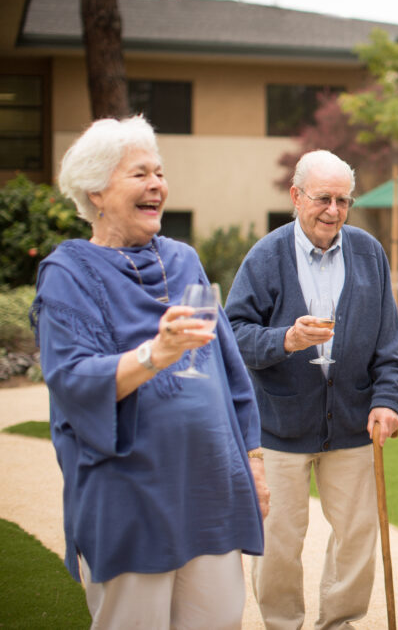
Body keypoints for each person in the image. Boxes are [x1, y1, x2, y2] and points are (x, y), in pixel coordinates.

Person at [31, 116, 267, 629]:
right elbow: (72, 380)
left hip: (211, 487)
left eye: (159, 173)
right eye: (140, 174)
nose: (157, 185)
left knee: (219, 619)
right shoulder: (67, 273)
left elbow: (228, 368)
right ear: (95, 191)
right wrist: (155, 355)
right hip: (128, 494)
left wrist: (253, 461)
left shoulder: (183, 259)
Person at [225, 150, 398, 630]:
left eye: (343, 200)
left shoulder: (370, 252)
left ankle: (340, 623)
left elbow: (389, 343)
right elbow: (234, 334)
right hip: (280, 423)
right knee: (279, 540)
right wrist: (286, 338)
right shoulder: (266, 256)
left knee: (356, 536)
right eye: (323, 198)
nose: (333, 210)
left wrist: (387, 400)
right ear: (296, 197)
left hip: (351, 421)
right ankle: (283, 624)